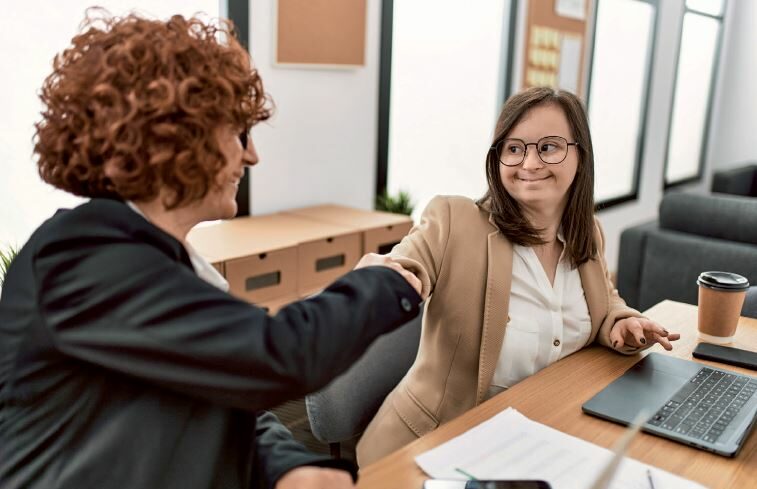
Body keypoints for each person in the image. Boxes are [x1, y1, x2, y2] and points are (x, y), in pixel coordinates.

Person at [0, 11, 422, 489]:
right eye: (238, 133)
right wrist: (378, 283)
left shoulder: (164, 261)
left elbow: (222, 391)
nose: (251, 155)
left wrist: (290, 467)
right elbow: (272, 357)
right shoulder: (79, 257)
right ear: (174, 138)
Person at [356, 87, 681, 465]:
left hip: (542, 437)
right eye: (514, 148)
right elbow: (409, 262)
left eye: (549, 147)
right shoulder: (454, 220)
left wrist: (620, 321)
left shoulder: (587, 231)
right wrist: (385, 277)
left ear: (580, 156)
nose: (529, 162)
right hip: (435, 446)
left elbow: (603, 297)